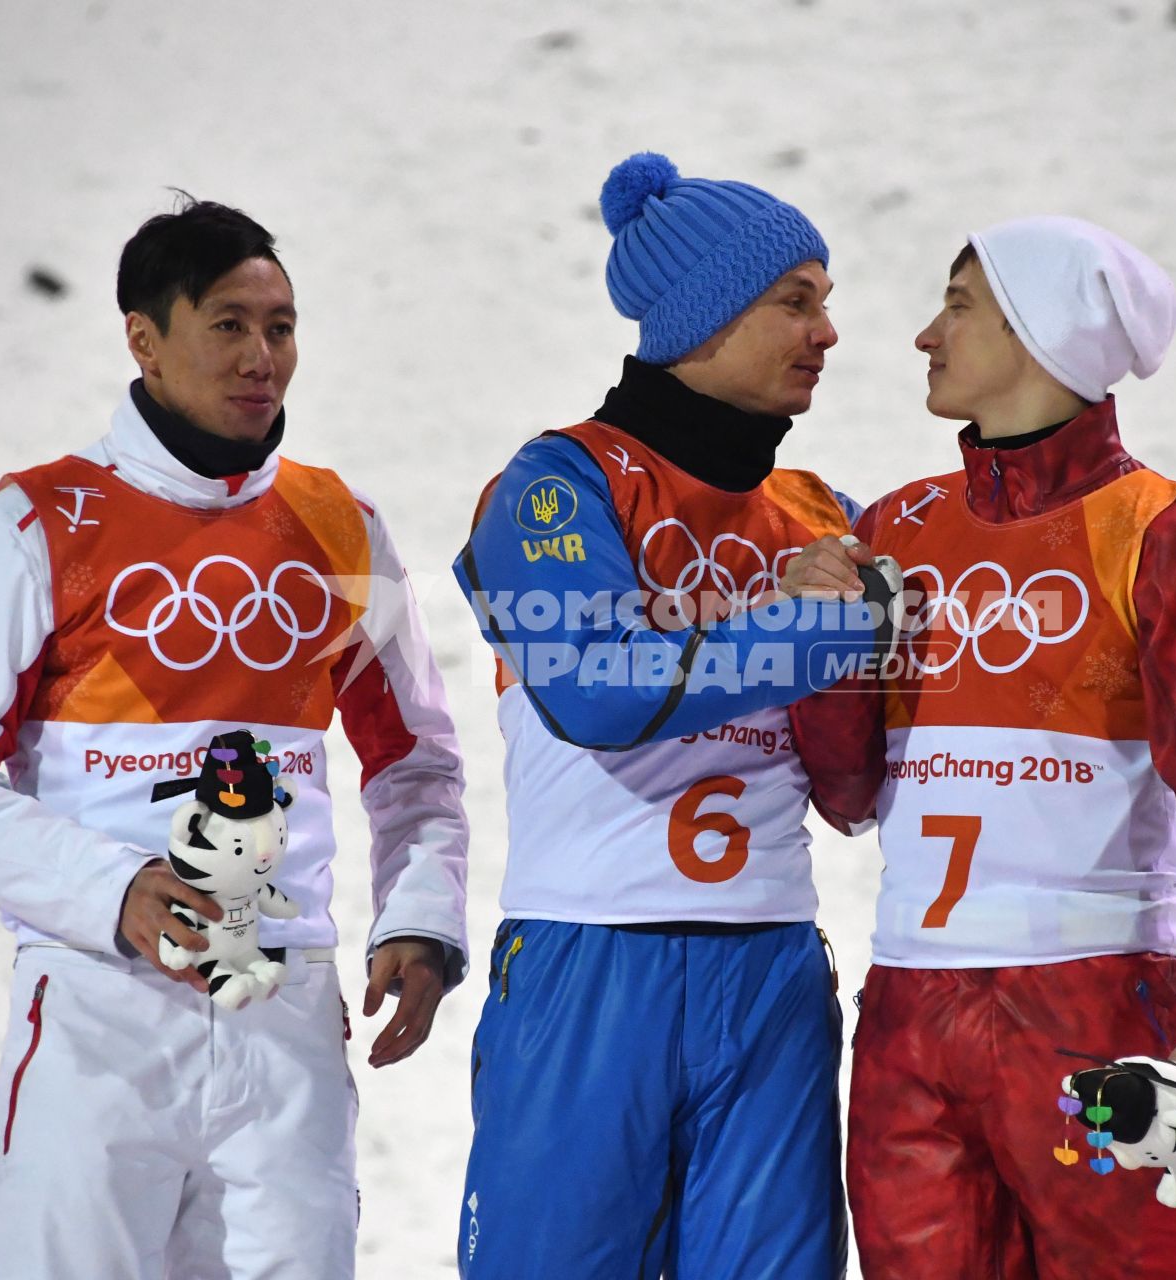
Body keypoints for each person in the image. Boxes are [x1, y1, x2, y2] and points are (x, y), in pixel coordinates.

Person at [0, 197, 470, 1278]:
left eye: (282, 326)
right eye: (230, 324)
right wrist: (113, 890)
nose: (264, 358)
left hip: (283, 1010)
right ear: (143, 339)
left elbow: (415, 759)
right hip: (97, 1008)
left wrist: (423, 916)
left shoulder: (343, 522)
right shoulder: (32, 523)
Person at [787, 217, 1176, 1279]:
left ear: (1041, 331)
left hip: (1097, 1011)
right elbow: (845, 793)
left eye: (961, 304)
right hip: (909, 1018)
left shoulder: (1164, 532)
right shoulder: (892, 528)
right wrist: (825, 642)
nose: (926, 334)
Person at [450, 152, 891, 1278]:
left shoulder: (822, 513)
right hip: (590, 964)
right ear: (706, 315)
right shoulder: (556, 484)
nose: (827, 332)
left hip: (771, 970)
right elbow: (597, 683)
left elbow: (855, 783)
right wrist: (821, 632)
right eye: (797, 301)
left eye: (826, 303)